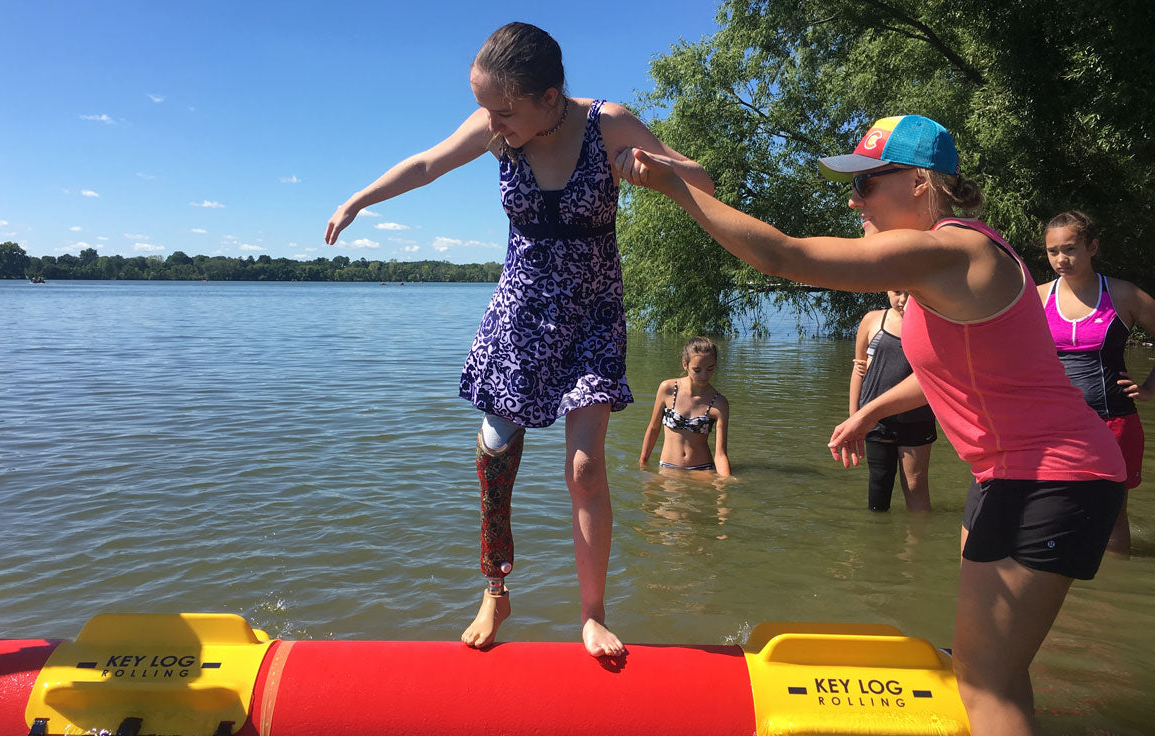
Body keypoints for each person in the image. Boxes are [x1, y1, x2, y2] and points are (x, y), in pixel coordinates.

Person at [616, 114, 1125, 735]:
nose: (853, 198)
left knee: (985, 680)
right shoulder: (946, 265)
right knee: (990, 670)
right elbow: (951, 371)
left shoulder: (950, 250)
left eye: (866, 183)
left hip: (1054, 473)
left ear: (919, 183)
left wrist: (678, 188)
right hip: (1007, 475)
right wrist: (868, 412)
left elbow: (784, 256)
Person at [324, 22, 713, 657]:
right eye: (485, 108)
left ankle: (592, 614)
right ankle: (496, 589)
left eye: (503, 110)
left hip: (591, 314)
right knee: (496, 456)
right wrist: (359, 201)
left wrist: (654, 169)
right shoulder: (498, 127)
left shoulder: (607, 123)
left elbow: (704, 181)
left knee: (585, 468)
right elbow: (427, 162)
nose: (491, 123)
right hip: (521, 314)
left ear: (550, 98)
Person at [1038, 210, 1155, 557]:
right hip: (1055, 426)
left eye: (1070, 248)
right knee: (1055, 509)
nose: (1061, 259)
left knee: (1111, 513)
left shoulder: (1123, 294)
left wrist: (1149, 389)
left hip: (1113, 420)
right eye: (1053, 251)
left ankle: (1110, 593)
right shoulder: (1038, 296)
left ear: (1092, 247)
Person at [849, 291, 935, 511]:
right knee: (879, 481)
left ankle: (917, 540)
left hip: (918, 417)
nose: (903, 299)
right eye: (897, 292)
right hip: (876, 418)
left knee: (915, 484)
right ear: (886, 290)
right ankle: (877, 541)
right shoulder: (872, 319)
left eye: (909, 292)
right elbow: (859, 369)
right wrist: (854, 419)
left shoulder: (933, 324)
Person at [639, 336, 732, 475]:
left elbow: (720, 454)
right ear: (685, 365)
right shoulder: (667, 389)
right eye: (697, 370)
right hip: (667, 469)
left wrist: (725, 482)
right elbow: (653, 428)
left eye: (710, 369)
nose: (704, 375)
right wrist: (642, 464)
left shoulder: (719, 403)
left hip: (702, 472)